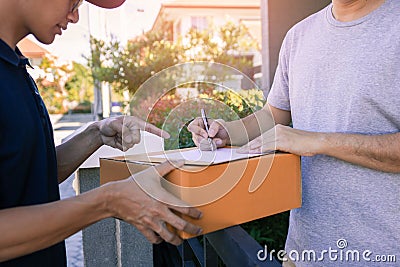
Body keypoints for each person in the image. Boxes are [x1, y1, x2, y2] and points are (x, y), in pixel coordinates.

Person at [189, 0, 400, 266]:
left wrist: (318, 141)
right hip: (304, 252)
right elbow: (273, 114)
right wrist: (226, 131)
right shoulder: (299, 36)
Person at [0, 0, 202, 265]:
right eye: (73, 1)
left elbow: (26, 176)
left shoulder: (13, 65)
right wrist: (107, 201)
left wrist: (95, 134)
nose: (74, 16)